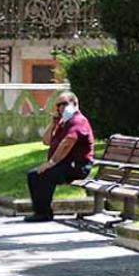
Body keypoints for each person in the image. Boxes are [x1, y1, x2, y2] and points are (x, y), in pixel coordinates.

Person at [24, 91, 94, 223]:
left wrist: (51, 162)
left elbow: (68, 143)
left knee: (45, 174)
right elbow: (46, 141)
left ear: (73, 104)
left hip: (77, 167)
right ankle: (40, 211)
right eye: (57, 105)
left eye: (63, 104)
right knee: (33, 175)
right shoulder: (64, 123)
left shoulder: (78, 121)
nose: (59, 108)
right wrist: (53, 123)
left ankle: (43, 213)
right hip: (65, 165)